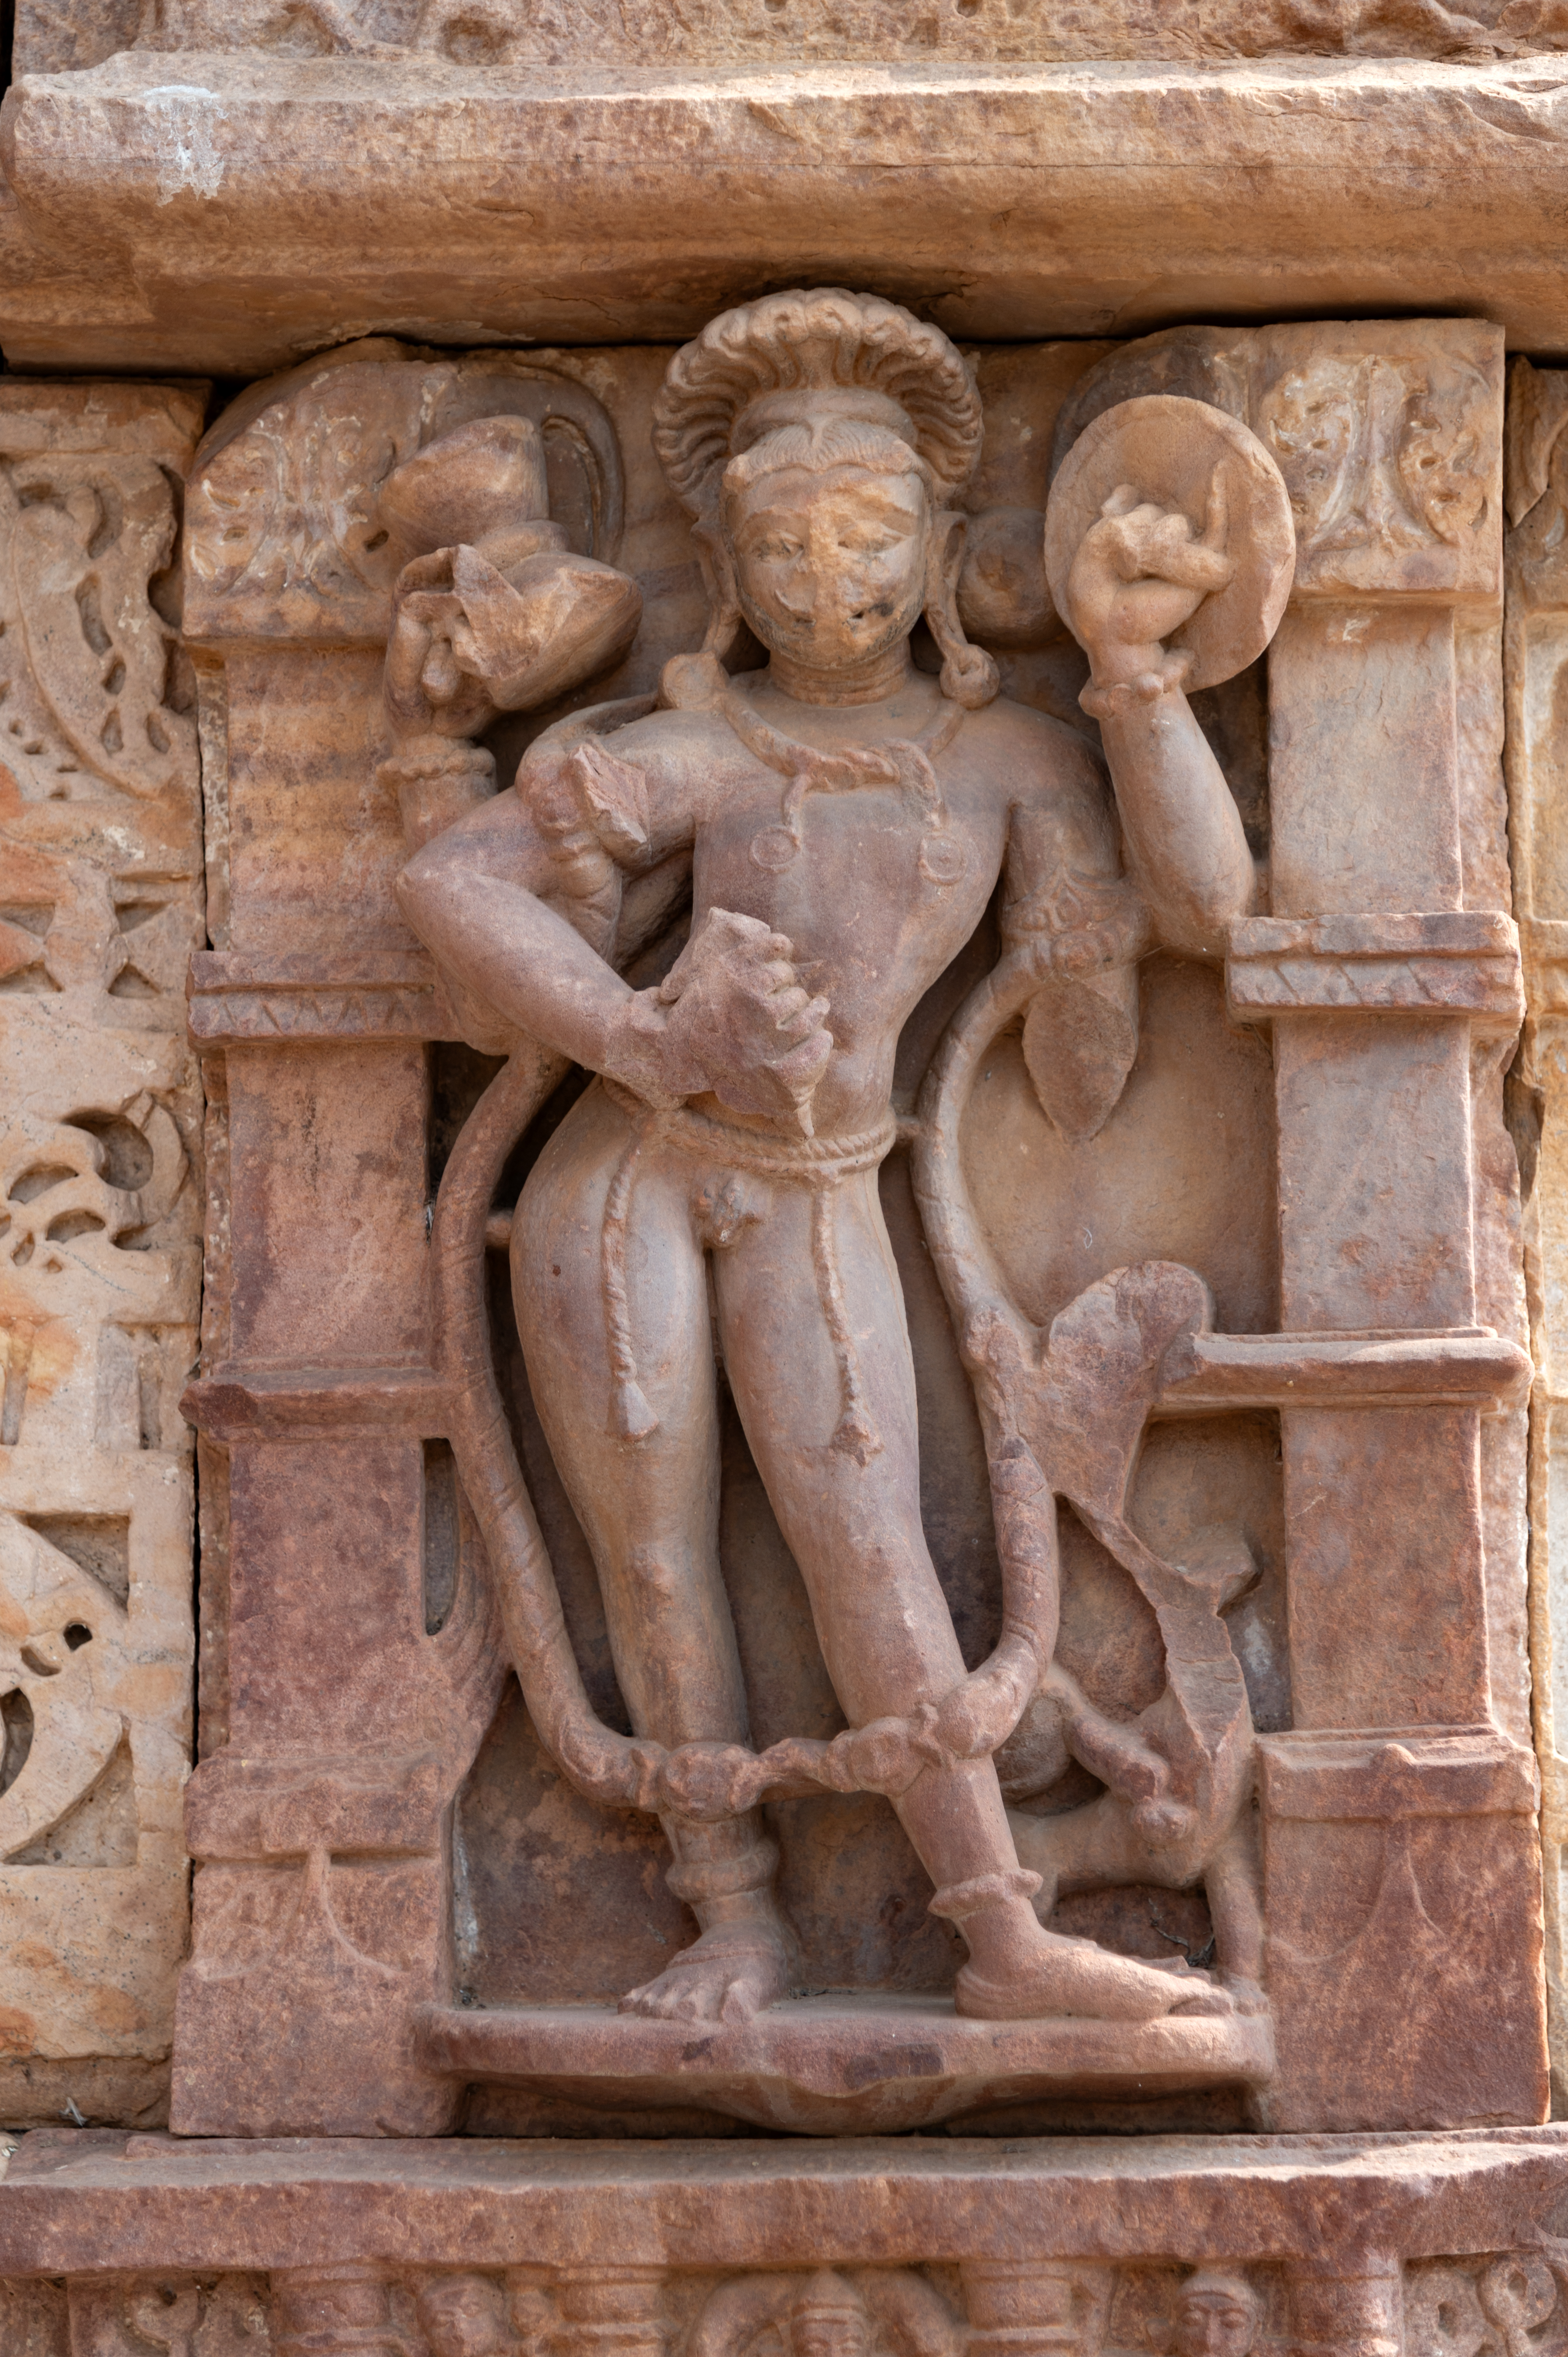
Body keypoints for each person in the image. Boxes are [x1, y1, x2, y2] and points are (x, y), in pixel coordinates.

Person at [394, 288, 1258, 2026]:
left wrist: (1135, 670)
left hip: (820, 1181)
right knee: (651, 1551)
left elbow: (1204, 914)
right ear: (720, 558)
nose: (823, 576)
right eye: (779, 541)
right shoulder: (696, 752)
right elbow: (450, 883)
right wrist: (641, 1033)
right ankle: (731, 1914)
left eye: (868, 532)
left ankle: (997, 1930)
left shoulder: (1010, 757)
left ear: (942, 546)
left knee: (864, 1531)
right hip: (625, 1177)